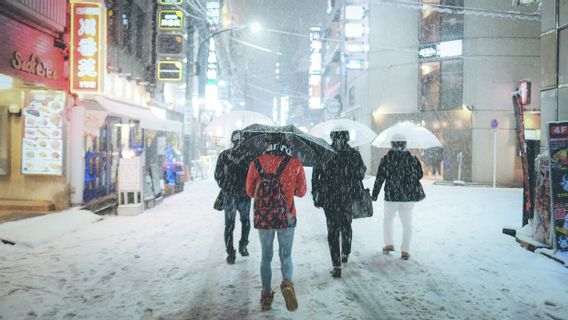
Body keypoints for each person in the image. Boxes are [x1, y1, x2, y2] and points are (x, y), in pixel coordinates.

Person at [246, 133, 307, 312]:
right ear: (285, 143)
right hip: (286, 216)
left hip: (265, 217)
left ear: (267, 143)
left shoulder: (256, 162)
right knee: (285, 255)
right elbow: (302, 191)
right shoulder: (294, 162)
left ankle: (266, 295)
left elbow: (249, 191)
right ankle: (287, 283)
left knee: (266, 257)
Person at [312, 130, 366, 278]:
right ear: (347, 137)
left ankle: (336, 265)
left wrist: (315, 194)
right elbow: (361, 173)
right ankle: (345, 252)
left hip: (329, 197)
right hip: (347, 196)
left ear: (332, 137)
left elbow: (315, 175)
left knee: (332, 230)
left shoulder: (325, 153)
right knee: (346, 225)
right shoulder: (354, 154)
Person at [371, 133, 425, 260]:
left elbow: (379, 178)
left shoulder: (386, 159)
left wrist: (374, 194)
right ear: (405, 144)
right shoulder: (412, 158)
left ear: (392, 144)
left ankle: (389, 243)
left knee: (388, 220)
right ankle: (405, 250)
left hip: (391, 196)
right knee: (407, 224)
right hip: (408, 197)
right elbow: (420, 175)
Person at [214, 130, 252, 265]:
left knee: (229, 225)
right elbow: (252, 176)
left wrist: (225, 185)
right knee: (245, 221)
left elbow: (217, 175)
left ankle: (231, 253)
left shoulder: (224, 155)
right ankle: (243, 245)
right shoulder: (248, 156)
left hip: (229, 195)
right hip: (244, 195)